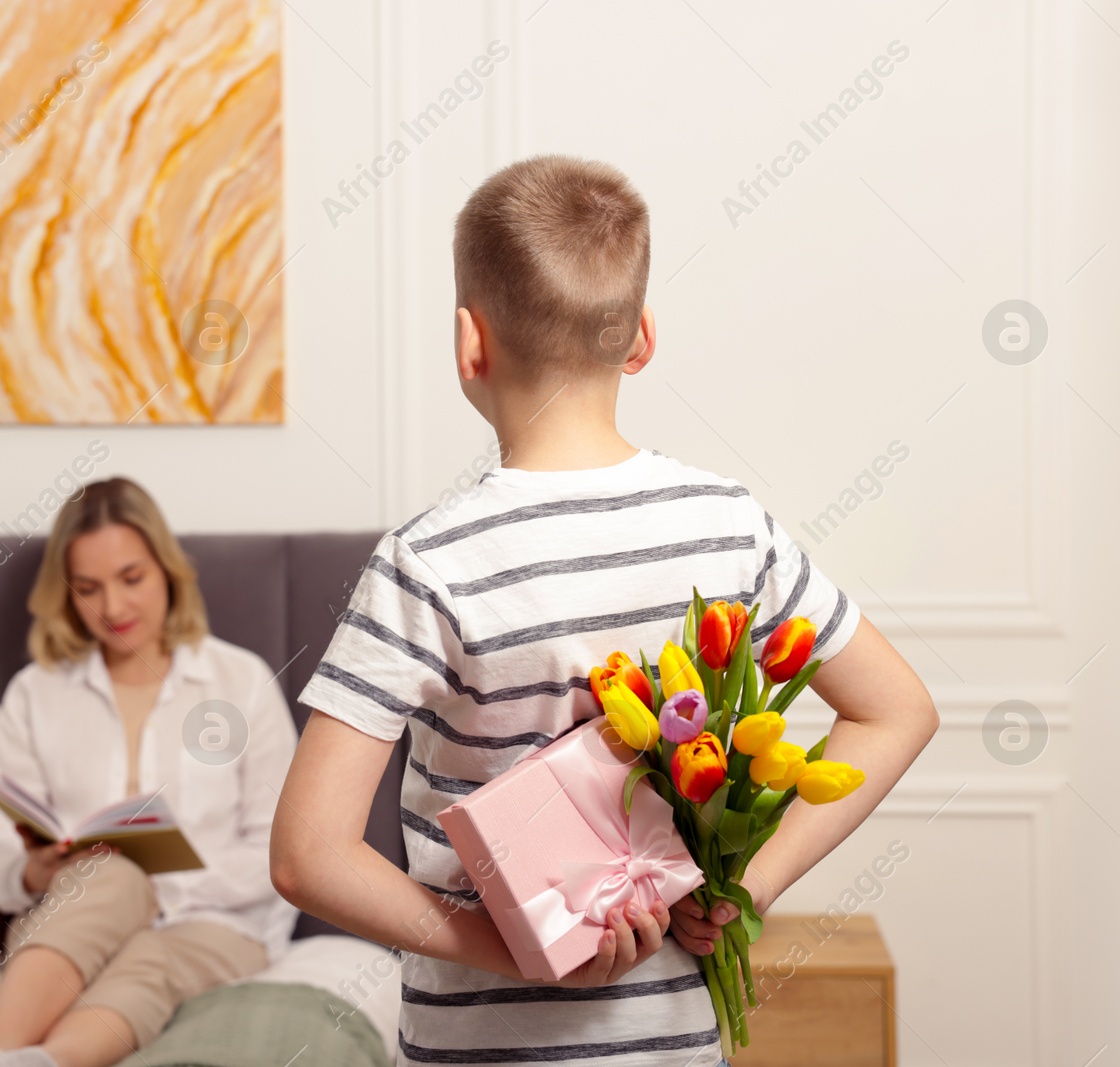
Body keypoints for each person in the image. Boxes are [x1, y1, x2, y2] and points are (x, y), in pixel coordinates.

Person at [269, 156, 939, 1066]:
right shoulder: (728, 525)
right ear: (641, 337)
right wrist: (744, 888)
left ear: (470, 342)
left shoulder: (426, 563)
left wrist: (509, 945)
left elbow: (307, 856)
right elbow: (900, 709)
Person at [0, 477, 299, 1067]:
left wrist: (153, 888)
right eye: (87, 589)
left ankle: (9, 1061)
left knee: (147, 952)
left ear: (167, 569)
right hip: (71, 921)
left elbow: (278, 854)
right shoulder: (36, 693)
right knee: (108, 883)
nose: (112, 608)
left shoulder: (240, 682)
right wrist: (33, 870)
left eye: (131, 579)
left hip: (215, 925)